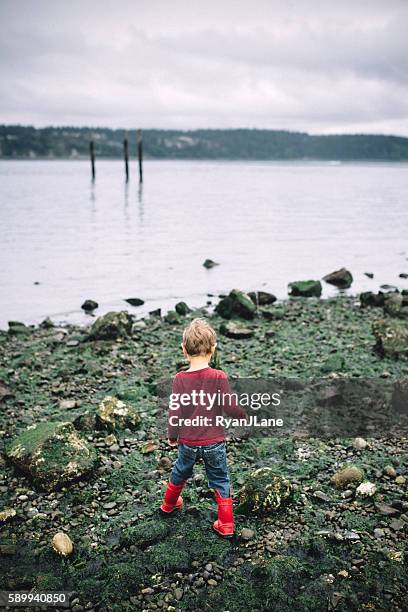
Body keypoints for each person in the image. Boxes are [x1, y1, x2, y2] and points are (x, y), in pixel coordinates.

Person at [159, 318, 246, 537]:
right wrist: (241, 415)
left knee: (180, 471)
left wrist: (172, 435)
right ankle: (226, 525)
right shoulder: (219, 376)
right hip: (214, 442)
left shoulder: (180, 379)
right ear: (213, 349)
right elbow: (229, 405)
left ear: (184, 350)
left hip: (187, 441)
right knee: (220, 478)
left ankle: (169, 504)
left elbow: (175, 411)